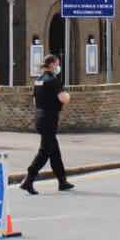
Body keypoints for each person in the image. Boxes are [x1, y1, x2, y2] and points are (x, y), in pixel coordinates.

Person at [20, 53, 74, 194]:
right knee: (44, 152)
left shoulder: (38, 80)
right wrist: (68, 95)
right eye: (57, 64)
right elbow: (63, 99)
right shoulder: (53, 80)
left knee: (54, 151)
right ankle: (28, 179)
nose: (58, 66)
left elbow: (34, 101)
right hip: (49, 119)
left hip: (40, 117)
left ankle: (62, 181)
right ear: (52, 64)